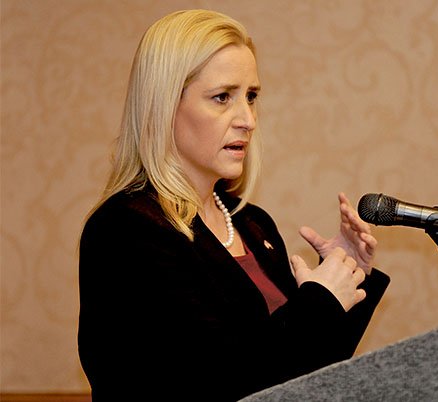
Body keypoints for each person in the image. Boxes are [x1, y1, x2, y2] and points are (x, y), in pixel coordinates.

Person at [77, 9, 390, 402]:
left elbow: (304, 370)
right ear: (164, 105)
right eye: (222, 97)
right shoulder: (127, 230)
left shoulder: (252, 224)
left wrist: (346, 278)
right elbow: (218, 381)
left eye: (252, 97)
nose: (248, 119)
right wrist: (320, 301)